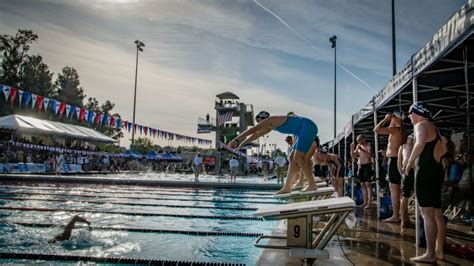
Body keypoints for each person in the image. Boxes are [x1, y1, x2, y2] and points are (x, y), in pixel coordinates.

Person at [229, 111, 318, 194]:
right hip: (304, 129)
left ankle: (312, 184)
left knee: (298, 157)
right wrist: (241, 144)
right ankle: (287, 187)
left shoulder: (270, 120)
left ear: (261, 118)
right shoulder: (270, 126)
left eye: (258, 122)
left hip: (308, 127)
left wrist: (235, 140)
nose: (259, 124)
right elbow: (256, 134)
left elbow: (253, 130)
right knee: (292, 157)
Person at [405, 101, 447, 263]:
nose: (409, 117)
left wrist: (409, 162)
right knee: (437, 214)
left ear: (416, 113)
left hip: (425, 172)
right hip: (437, 170)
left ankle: (430, 255)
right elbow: (444, 149)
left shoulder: (421, 125)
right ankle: (440, 251)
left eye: (410, 114)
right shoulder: (435, 128)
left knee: (427, 215)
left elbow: (420, 143)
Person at [374, 112, 404, 223]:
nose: (391, 119)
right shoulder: (401, 131)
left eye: (393, 117)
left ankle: (396, 215)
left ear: (397, 119)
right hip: (397, 160)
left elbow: (376, 129)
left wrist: (385, 119)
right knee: (399, 190)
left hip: (394, 161)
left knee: (394, 190)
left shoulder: (395, 130)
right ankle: (401, 215)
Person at [351, 134, 373, 209]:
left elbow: (369, 156)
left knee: (368, 184)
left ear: (364, 139)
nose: (358, 142)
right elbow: (353, 156)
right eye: (357, 141)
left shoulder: (368, 146)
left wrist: (362, 149)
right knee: (362, 184)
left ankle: (369, 203)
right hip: (361, 166)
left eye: (359, 140)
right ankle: (365, 202)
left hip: (367, 165)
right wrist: (352, 148)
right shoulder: (358, 146)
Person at [397, 133, 415, 228]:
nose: (410, 140)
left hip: (413, 170)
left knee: (406, 197)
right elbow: (399, 163)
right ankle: (403, 220)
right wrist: (402, 174)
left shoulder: (415, 144)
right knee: (405, 197)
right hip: (407, 172)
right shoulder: (403, 146)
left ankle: (405, 219)